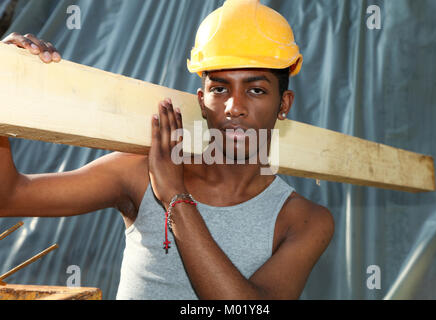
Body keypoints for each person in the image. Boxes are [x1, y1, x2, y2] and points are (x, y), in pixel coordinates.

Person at [0, 0, 334, 299]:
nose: (234, 106)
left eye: (257, 90)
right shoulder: (141, 172)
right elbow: (9, 197)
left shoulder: (303, 221)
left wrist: (174, 195)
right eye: (220, 88)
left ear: (283, 104)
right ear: (202, 102)